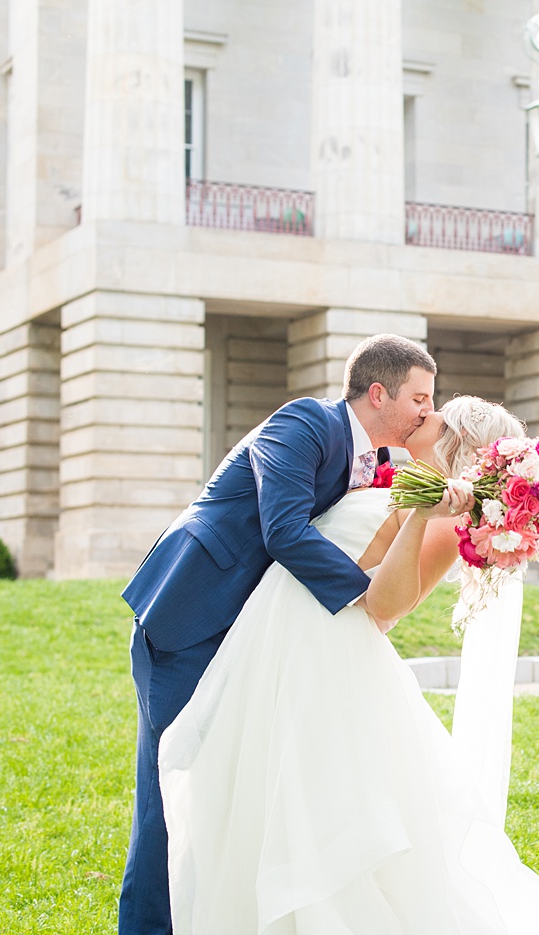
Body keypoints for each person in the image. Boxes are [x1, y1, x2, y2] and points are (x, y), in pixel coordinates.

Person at [158, 395, 539, 935]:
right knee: (262, 796)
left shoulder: (445, 514)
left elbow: (388, 605)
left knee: (314, 814)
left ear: (457, 443)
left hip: (323, 650)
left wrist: (424, 512)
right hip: (286, 637)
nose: (422, 414)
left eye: (435, 414)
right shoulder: (399, 475)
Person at [117, 334, 438, 935]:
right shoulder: (304, 423)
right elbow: (283, 530)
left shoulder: (371, 458)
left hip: (248, 631)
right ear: (378, 393)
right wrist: (363, 597)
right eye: (420, 397)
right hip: (190, 613)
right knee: (172, 784)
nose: (429, 410)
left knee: (228, 790)